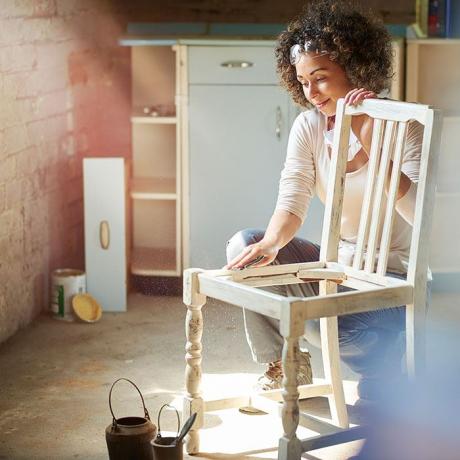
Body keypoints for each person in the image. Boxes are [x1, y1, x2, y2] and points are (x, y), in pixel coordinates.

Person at [225, 0, 424, 400]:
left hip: (392, 283)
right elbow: (293, 198)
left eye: (320, 78)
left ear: (355, 66)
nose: (311, 93)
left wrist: (372, 141)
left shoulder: (407, 127)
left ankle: (384, 372)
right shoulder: (310, 126)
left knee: (321, 322)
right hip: (339, 269)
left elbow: (419, 214)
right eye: (302, 82)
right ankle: (286, 365)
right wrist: (270, 245)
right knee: (244, 245)